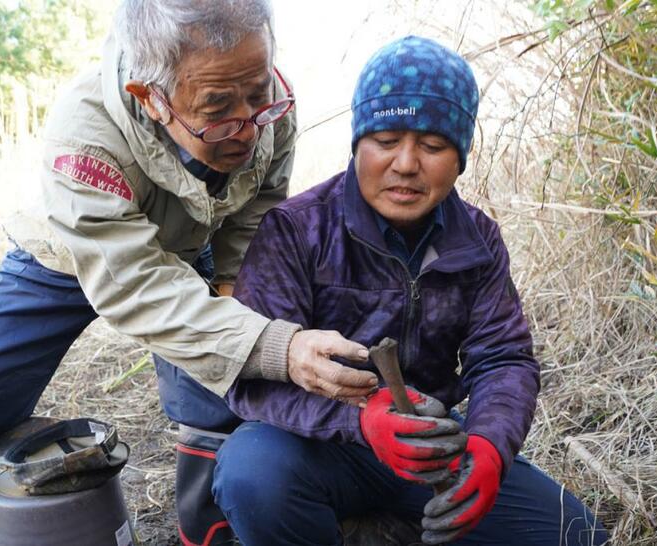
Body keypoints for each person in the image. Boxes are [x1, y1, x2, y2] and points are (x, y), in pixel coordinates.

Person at [0, 1, 379, 545]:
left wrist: (233, 291)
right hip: (72, 247)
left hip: (189, 243)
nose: (247, 127)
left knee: (222, 384)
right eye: (218, 107)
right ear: (150, 98)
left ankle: (210, 522)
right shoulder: (83, 138)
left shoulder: (266, 100)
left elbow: (257, 208)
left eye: (257, 95)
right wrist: (274, 345)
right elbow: (135, 284)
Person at [209, 36, 610, 545]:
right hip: (314, 449)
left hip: (429, 449)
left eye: (433, 145)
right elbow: (254, 377)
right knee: (252, 472)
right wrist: (364, 420)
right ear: (358, 143)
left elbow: (505, 360)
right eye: (385, 138)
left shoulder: (477, 239)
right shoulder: (296, 229)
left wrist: (488, 448)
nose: (405, 163)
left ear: (460, 156)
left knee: (576, 535)